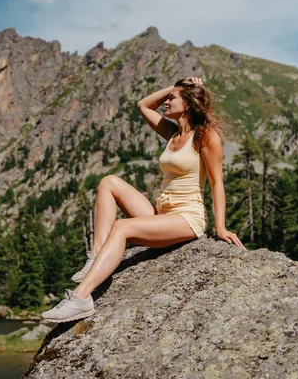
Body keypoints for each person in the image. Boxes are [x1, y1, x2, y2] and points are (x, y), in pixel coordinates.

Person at [41, 77, 245, 323]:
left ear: (188, 104)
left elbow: (217, 183)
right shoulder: (173, 132)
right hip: (161, 215)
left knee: (121, 227)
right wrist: (176, 87)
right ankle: (96, 256)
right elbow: (143, 105)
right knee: (108, 182)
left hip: (187, 218)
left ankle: (81, 298)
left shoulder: (205, 136)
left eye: (172, 98)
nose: (166, 102)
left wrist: (220, 227)